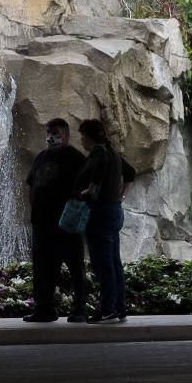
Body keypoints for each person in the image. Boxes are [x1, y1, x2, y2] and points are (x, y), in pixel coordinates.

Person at [22, 118, 87, 324]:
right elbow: (32, 183)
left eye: (56, 133)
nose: (51, 137)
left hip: (66, 224)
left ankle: (80, 308)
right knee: (42, 267)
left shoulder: (76, 158)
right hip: (41, 223)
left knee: (75, 267)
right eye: (49, 132)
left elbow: (87, 187)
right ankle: (44, 308)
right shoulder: (41, 156)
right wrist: (34, 205)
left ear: (67, 135)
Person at [76, 119, 136, 324]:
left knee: (103, 263)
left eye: (82, 136)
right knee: (113, 262)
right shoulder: (113, 153)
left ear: (89, 137)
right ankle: (119, 307)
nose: (81, 140)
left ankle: (108, 309)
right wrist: (121, 195)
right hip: (113, 210)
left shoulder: (99, 155)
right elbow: (131, 173)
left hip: (100, 213)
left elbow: (94, 186)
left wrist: (87, 192)